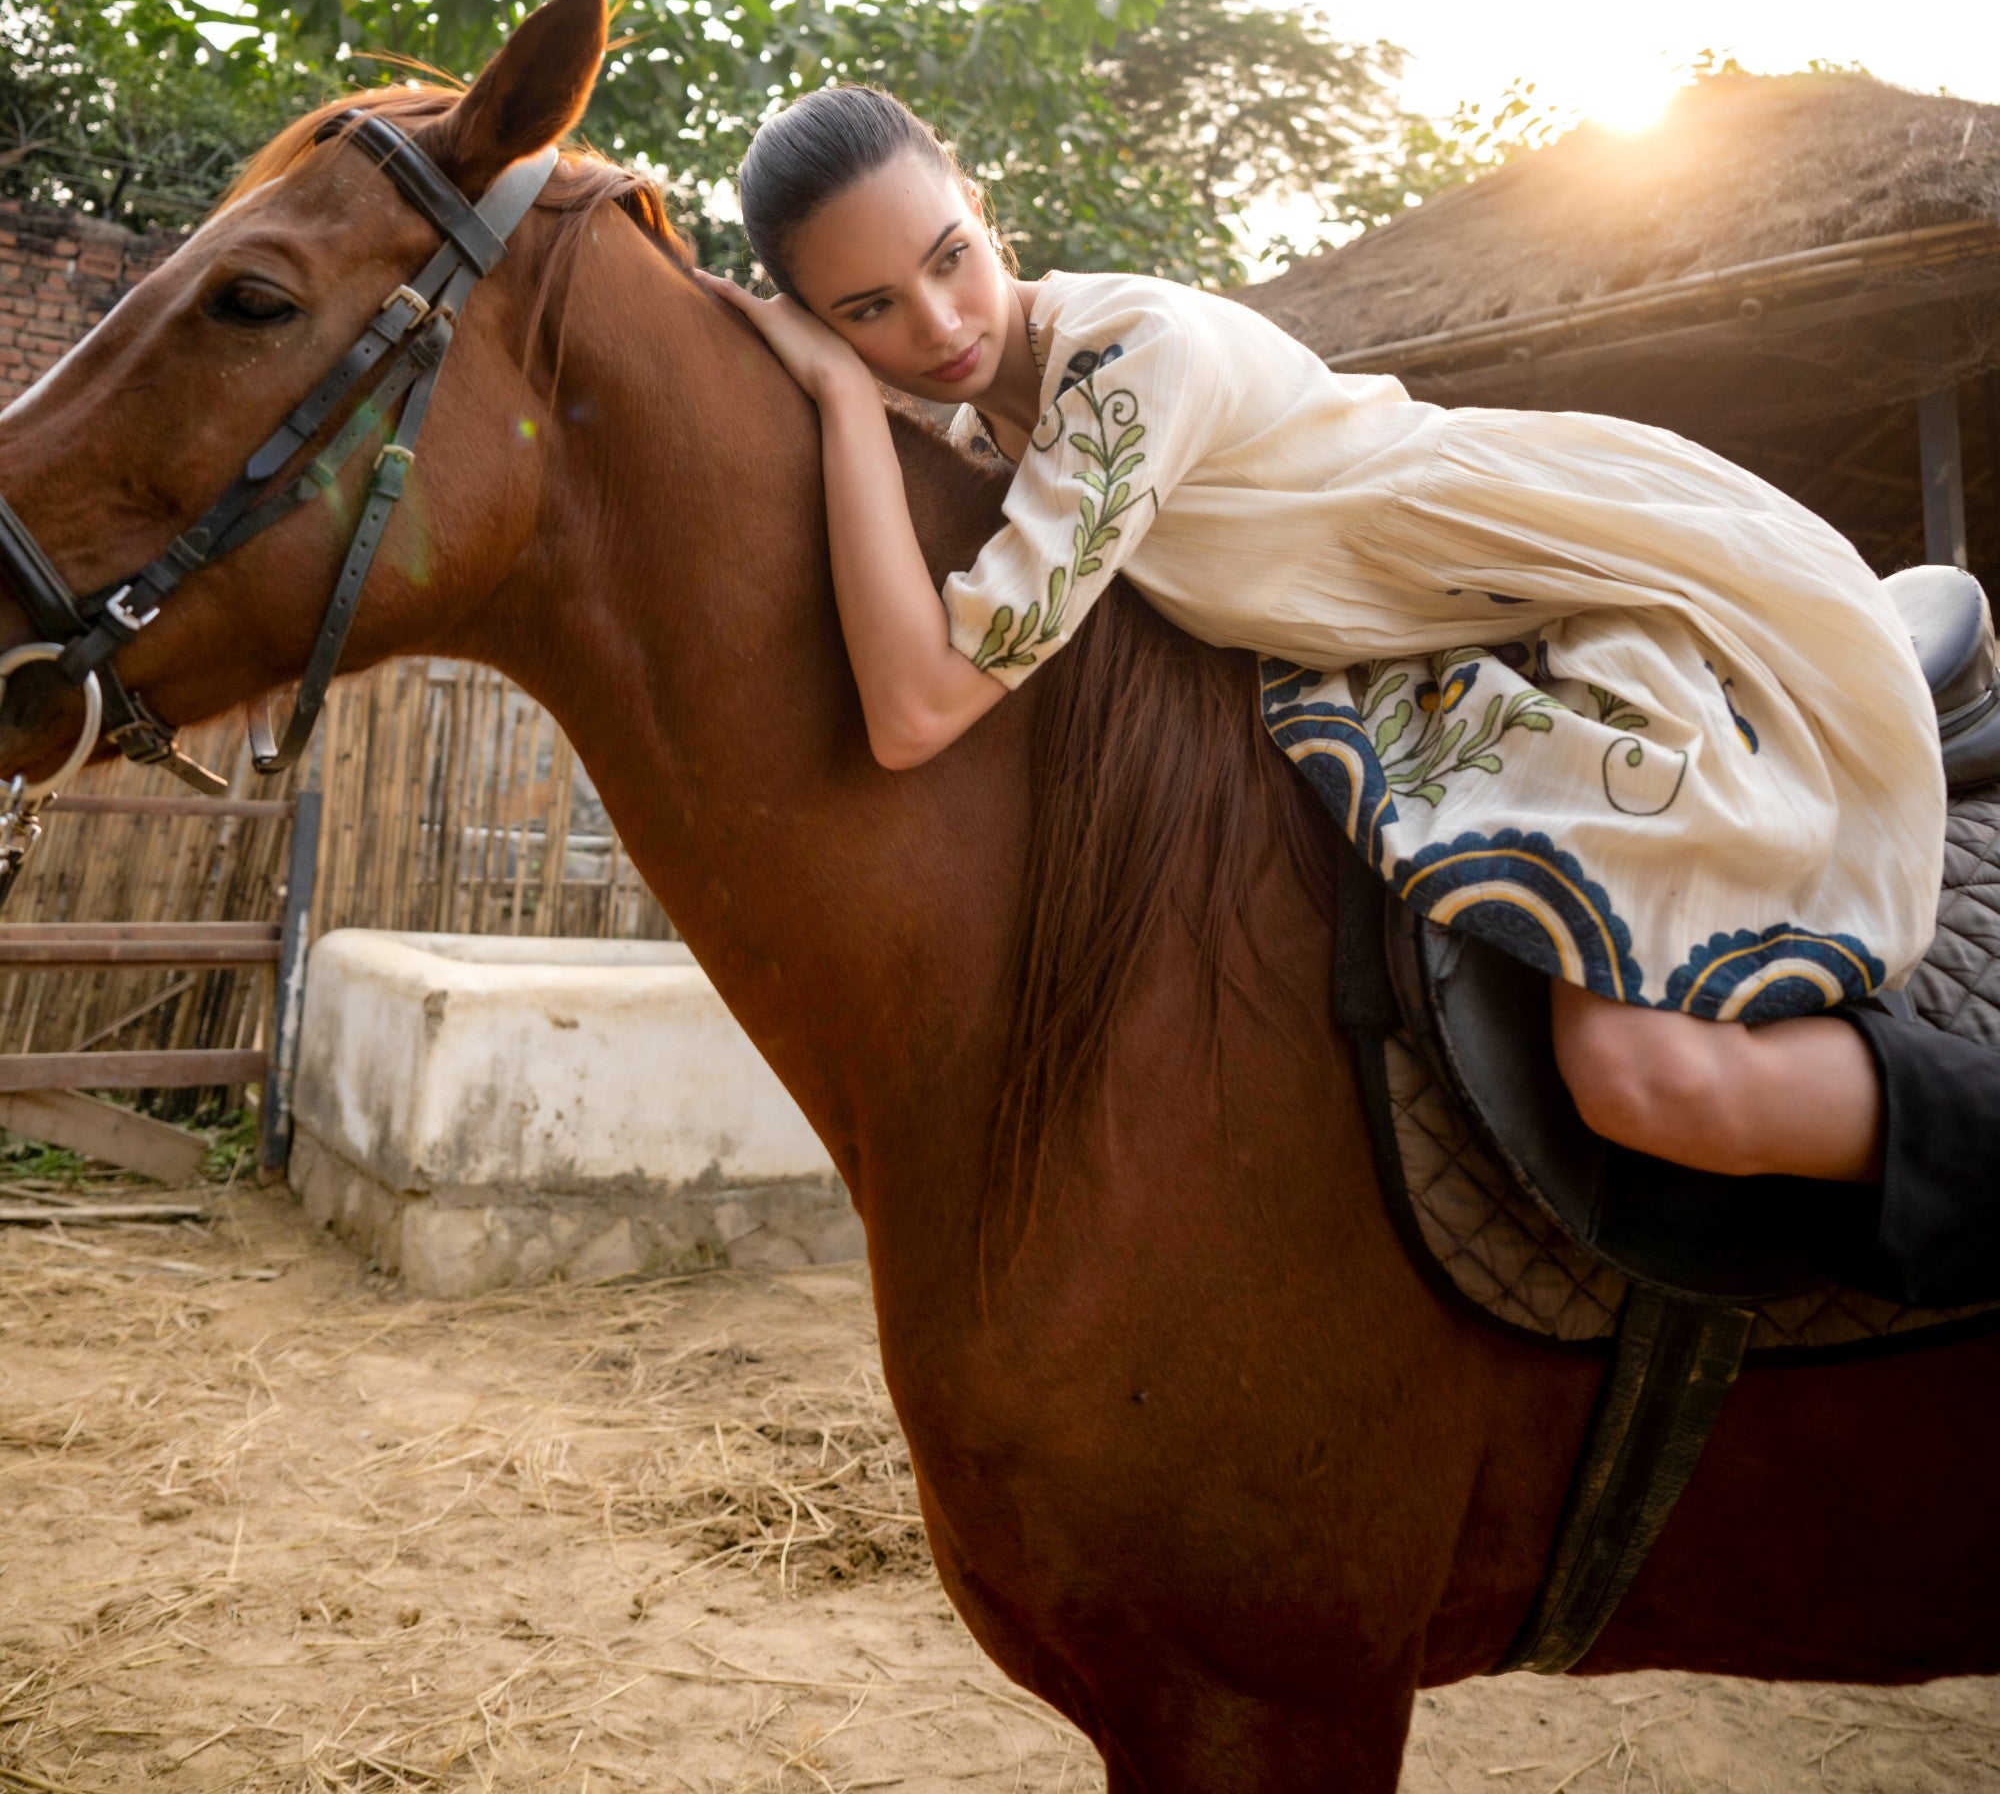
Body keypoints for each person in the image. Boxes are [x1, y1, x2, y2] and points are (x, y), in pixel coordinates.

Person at [702, 84, 2000, 1303]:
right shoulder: (1002, 429)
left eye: (946, 259)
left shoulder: (1128, 360)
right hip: (1439, 642)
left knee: (1650, 1076)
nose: (936, 327)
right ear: (817, 310)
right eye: (866, 312)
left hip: (1570, 593)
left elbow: (916, 708)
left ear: (981, 208)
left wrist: (833, 392)